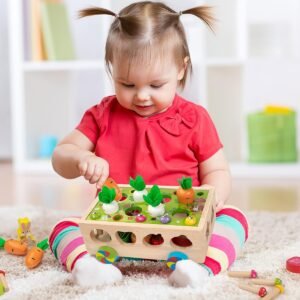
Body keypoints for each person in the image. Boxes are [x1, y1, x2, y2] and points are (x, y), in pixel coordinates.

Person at [50, 1, 248, 288]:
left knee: (234, 218)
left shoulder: (194, 118)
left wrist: (212, 197)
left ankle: (197, 270)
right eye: (127, 85)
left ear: (181, 69)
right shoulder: (103, 114)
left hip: (183, 231)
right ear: (112, 69)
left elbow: (217, 169)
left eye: (156, 85)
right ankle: (89, 266)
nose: (142, 95)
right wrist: (80, 158)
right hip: (117, 233)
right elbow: (60, 155)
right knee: (63, 227)